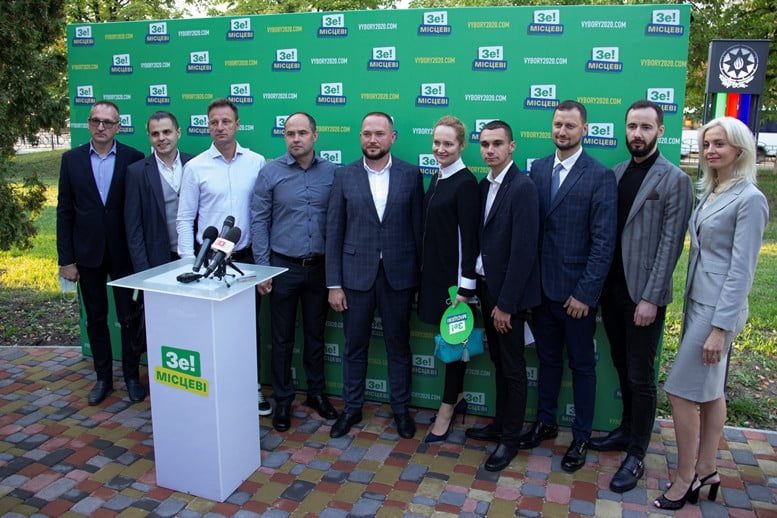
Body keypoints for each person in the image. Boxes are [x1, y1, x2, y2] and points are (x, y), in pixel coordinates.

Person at [655, 117, 768, 510]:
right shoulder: (714, 190)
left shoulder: (750, 199)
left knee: (679, 391)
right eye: (706, 144)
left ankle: (685, 477)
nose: (710, 151)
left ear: (740, 148)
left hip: (717, 309)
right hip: (698, 300)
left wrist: (720, 328)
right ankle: (706, 469)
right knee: (710, 391)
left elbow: (742, 270)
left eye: (719, 144)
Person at [591, 100, 693, 492]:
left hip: (643, 296)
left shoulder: (674, 179)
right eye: (632, 126)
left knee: (641, 375)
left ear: (660, 131)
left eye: (646, 127)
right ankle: (625, 430)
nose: (637, 133)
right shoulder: (616, 173)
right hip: (612, 291)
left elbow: (671, 244)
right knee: (621, 364)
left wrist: (651, 298)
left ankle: (637, 453)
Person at [522, 100, 617, 473]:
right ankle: (545, 422)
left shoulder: (599, 176)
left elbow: (603, 243)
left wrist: (585, 294)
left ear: (584, 130)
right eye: (558, 124)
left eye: (570, 126)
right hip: (542, 292)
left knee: (581, 366)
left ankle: (580, 437)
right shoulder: (538, 169)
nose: (562, 131)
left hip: (577, 296)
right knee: (547, 361)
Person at [326, 112, 424, 439]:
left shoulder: (411, 175)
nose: (372, 139)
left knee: (399, 346)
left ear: (392, 137)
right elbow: (334, 232)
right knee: (354, 346)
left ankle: (401, 410)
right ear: (360, 137)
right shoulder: (344, 175)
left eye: (379, 133)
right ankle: (351, 409)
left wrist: (419, 281)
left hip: (399, 276)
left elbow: (418, 231)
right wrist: (334, 284)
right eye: (367, 133)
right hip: (355, 277)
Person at [175, 98, 272, 415]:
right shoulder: (195, 167)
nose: (220, 127)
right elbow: (184, 218)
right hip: (209, 264)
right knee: (212, 331)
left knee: (248, 329)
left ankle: (252, 387)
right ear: (208, 126)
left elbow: (263, 215)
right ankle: (215, 391)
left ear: (237, 125)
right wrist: (189, 264)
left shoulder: (256, 162)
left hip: (245, 260)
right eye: (214, 122)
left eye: (226, 121)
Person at [250, 112, 338, 432]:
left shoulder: (332, 172)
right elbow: (259, 221)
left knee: (315, 336)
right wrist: (263, 269)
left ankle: (316, 393)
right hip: (281, 268)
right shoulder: (270, 172)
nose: (296, 139)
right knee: (282, 338)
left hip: (319, 269)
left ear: (315, 135)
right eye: (290, 133)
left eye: (302, 133)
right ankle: (283, 399)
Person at [462, 120, 541, 472]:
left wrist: (506, 305)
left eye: (497, 143)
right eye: (484, 144)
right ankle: (499, 424)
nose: (490, 150)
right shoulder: (484, 185)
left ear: (512, 147)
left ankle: (510, 439)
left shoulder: (522, 187)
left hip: (509, 297)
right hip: (486, 288)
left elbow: (524, 252)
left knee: (513, 367)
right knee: (498, 362)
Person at [56, 101, 145, 405]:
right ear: (89, 124)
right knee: (95, 319)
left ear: (118, 126)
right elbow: (64, 211)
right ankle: (103, 378)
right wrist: (66, 260)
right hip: (87, 255)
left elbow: (139, 211)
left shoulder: (134, 158)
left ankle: (131, 376)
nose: (101, 126)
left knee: (130, 318)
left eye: (108, 122)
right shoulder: (71, 160)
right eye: (96, 120)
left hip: (125, 255)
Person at [417, 116, 480, 443]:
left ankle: (446, 411)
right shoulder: (437, 176)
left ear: (461, 145)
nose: (440, 149)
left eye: (448, 144)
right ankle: (457, 399)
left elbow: (470, 239)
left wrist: (465, 288)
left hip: (455, 286)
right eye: (437, 142)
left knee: (455, 347)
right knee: (449, 343)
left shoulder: (466, 183)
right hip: (435, 278)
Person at [125, 111, 194, 272]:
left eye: (167, 132)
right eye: (155, 134)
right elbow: (133, 227)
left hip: (195, 255)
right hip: (157, 260)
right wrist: (143, 269)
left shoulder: (195, 164)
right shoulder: (136, 172)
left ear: (178, 133)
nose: (161, 138)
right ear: (149, 137)